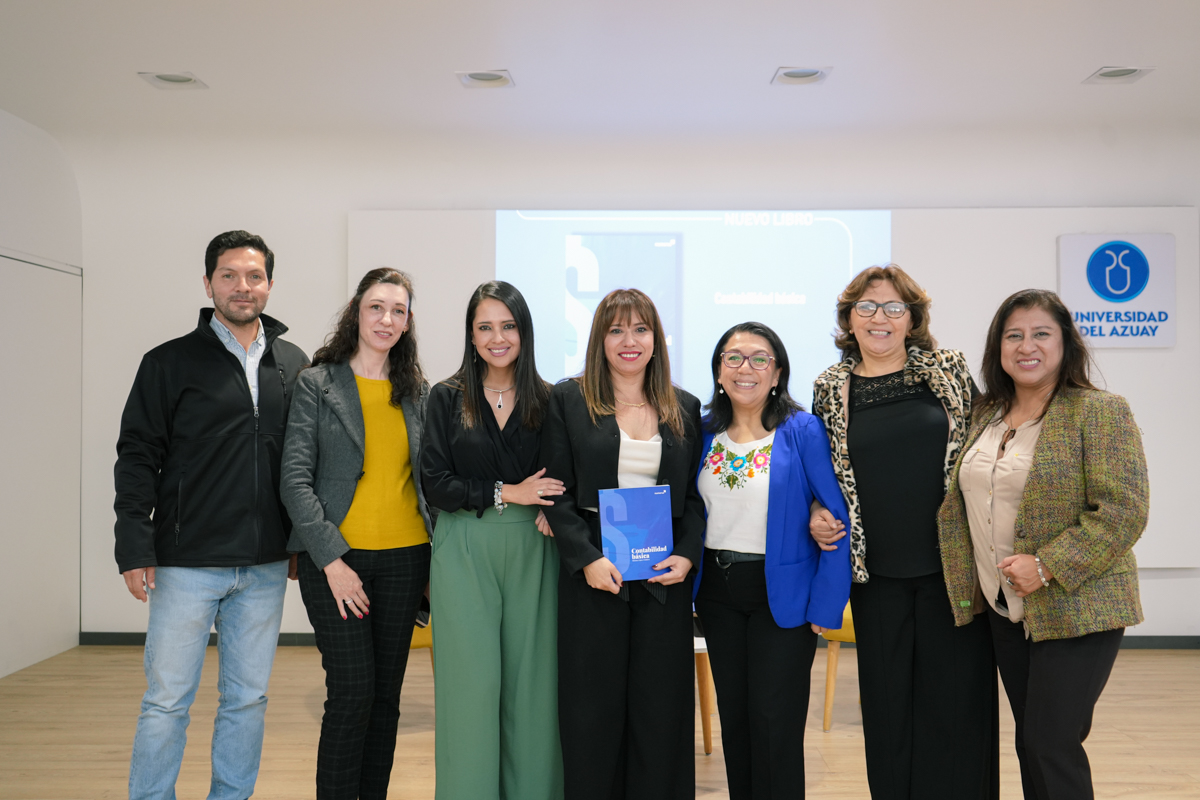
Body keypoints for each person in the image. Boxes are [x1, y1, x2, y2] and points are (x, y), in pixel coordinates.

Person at [114, 230, 309, 800]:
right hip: (186, 563)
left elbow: (302, 463)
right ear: (208, 284)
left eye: (254, 276)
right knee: (167, 702)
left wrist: (297, 542)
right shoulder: (168, 362)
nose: (242, 286)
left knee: (247, 700)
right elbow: (137, 457)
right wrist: (134, 546)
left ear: (269, 285)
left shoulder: (293, 364)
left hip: (265, 565)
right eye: (229, 275)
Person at [938, 289, 1147, 800]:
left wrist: (1047, 565)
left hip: (1077, 606)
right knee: (1031, 745)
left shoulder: (1098, 411)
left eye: (1040, 334)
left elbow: (1124, 510)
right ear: (998, 347)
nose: (1026, 346)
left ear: (1065, 343)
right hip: (1004, 610)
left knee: (1051, 744)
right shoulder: (985, 414)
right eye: (1014, 335)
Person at [809, 264, 997, 800]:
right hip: (875, 576)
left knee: (956, 710)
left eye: (895, 307)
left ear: (913, 319)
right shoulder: (830, 387)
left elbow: (984, 447)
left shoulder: (949, 370)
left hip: (952, 571)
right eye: (867, 307)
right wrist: (815, 511)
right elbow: (820, 473)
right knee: (888, 714)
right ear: (849, 318)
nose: (880, 318)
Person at [540, 288, 705, 800]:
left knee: (661, 712)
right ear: (600, 339)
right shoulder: (568, 400)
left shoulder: (684, 406)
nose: (628, 341)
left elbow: (693, 499)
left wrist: (687, 556)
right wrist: (586, 559)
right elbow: (555, 491)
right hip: (594, 574)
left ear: (655, 339)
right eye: (616, 330)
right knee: (592, 712)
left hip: (663, 576)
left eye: (640, 329)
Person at [280, 268, 433, 800]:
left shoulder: (417, 392)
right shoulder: (317, 383)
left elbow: (427, 483)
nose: (387, 319)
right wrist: (332, 561)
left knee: (385, 699)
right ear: (356, 312)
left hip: (406, 560)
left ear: (407, 322)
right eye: (376, 307)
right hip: (336, 562)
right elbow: (294, 480)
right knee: (351, 694)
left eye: (398, 311)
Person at [693, 322, 851, 800]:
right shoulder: (702, 431)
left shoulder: (801, 430)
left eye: (760, 359)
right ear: (719, 370)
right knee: (736, 718)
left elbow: (835, 518)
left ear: (777, 372)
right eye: (734, 357)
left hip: (782, 596)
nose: (746, 368)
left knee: (774, 721)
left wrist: (827, 606)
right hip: (717, 592)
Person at [419, 281, 564, 800]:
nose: (497, 338)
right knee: (469, 689)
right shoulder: (446, 396)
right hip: (463, 548)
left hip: (534, 550)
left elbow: (565, 474)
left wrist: (553, 509)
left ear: (524, 332)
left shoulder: (551, 398)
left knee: (533, 688)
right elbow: (435, 483)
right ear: (471, 334)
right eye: (485, 327)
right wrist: (510, 492)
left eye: (508, 326)